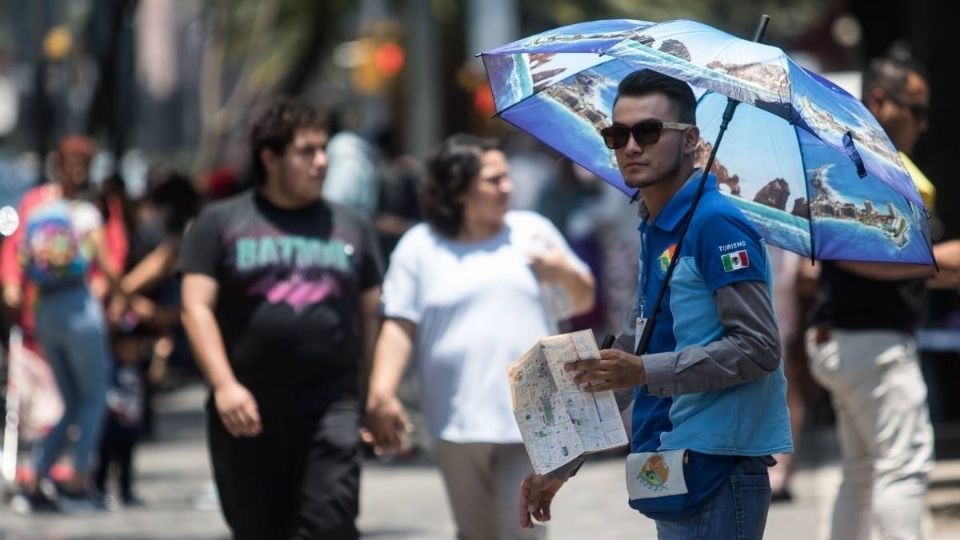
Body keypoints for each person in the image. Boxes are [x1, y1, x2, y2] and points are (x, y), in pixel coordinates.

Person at [517, 70, 793, 539]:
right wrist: (564, 462)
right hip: (671, 461)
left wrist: (645, 371)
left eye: (647, 132)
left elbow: (758, 347)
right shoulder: (655, 226)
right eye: (617, 134)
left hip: (717, 471)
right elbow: (630, 349)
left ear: (691, 141)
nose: (630, 146)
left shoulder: (718, 225)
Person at [364, 134, 596, 540]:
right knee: (475, 533)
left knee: (522, 531)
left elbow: (582, 298)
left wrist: (562, 270)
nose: (507, 187)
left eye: (506, 177)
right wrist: (381, 394)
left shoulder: (532, 231)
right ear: (458, 188)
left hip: (533, 420)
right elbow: (399, 326)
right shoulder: (419, 246)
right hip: (456, 421)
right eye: (494, 179)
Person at [180, 97, 382, 539]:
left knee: (330, 524)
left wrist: (375, 395)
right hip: (246, 411)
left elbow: (372, 316)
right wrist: (224, 386)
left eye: (323, 149)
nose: (322, 161)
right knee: (257, 529)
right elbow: (195, 307)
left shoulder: (351, 226)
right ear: (269, 157)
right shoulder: (220, 222)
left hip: (331, 406)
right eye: (307, 151)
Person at [806, 50, 960, 540]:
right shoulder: (856, 162)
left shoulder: (861, 161)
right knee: (903, 466)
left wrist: (929, 266)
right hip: (870, 339)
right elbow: (845, 250)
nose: (921, 124)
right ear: (878, 100)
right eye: (913, 109)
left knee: (865, 471)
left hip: (849, 337)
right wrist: (938, 261)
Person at [2, 135, 120, 512]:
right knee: (94, 397)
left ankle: (37, 476)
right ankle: (78, 479)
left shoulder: (36, 205)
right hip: (79, 309)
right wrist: (127, 297)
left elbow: (15, 254)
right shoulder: (89, 209)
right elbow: (110, 261)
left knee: (70, 402)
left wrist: (13, 290)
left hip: (44, 312)